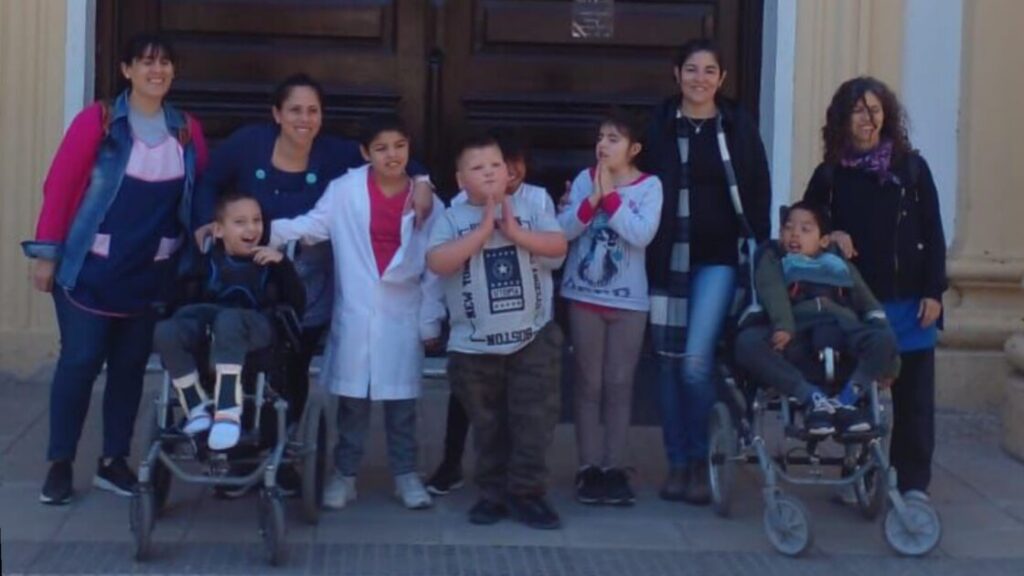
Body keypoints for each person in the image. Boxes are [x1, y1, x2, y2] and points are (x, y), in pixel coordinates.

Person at [22, 33, 208, 505]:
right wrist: (47, 254)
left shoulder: (187, 130)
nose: (156, 71)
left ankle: (114, 461)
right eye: (146, 62)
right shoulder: (99, 121)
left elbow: (199, 195)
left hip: (150, 274)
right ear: (126, 70)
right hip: (91, 271)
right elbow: (61, 186)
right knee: (80, 363)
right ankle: (60, 463)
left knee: (129, 369)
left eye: (164, 63)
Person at [192, 73, 435, 427]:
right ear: (277, 114)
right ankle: (224, 420)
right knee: (227, 343)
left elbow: (391, 155)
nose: (304, 119)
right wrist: (204, 223)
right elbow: (209, 181)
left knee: (293, 358)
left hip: (304, 278)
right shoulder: (248, 143)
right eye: (295, 110)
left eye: (312, 110)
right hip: (244, 268)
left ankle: (285, 433)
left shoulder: (336, 152)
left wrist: (423, 181)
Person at [270, 115, 445, 510]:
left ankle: (406, 476)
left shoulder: (428, 201)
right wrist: (258, 231)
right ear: (366, 153)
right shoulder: (345, 190)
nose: (392, 155)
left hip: (402, 313)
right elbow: (313, 225)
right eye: (381, 148)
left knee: (402, 406)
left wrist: (429, 319)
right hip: (357, 311)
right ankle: (344, 475)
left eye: (399, 146)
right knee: (352, 404)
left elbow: (435, 267)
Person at [641, 38, 772, 504]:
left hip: (718, 261)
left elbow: (758, 187)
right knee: (667, 364)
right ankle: (678, 463)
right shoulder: (659, 124)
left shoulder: (736, 125)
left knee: (695, 363)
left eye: (709, 71)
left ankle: (703, 459)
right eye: (692, 69)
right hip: (666, 259)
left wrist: (761, 251)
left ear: (722, 78)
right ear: (677, 74)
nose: (700, 79)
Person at [803, 76, 947, 501]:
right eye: (858, 110)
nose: (868, 119)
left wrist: (934, 292)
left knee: (914, 400)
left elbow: (933, 232)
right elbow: (806, 225)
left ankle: (913, 484)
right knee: (862, 397)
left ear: (887, 115)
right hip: (859, 304)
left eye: (875, 110)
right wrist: (831, 233)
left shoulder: (912, 170)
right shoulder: (830, 174)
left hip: (911, 302)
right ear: (842, 118)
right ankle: (860, 476)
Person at [427, 134, 567, 529]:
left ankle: (527, 492)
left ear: (509, 172)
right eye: (478, 168)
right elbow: (438, 262)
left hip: (532, 338)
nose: (489, 173)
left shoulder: (531, 209)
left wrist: (515, 232)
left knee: (533, 422)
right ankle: (492, 494)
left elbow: (557, 247)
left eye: (495, 165)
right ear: (460, 180)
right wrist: (482, 231)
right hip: (474, 347)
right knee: (487, 426)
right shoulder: (452, 218)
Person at [558, 109, 663, 505]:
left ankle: (613, 465)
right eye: (601, 137)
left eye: (614, 139)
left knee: (620, 383)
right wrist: (591, 199)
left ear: (633, 149)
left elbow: (641, 234)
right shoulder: (584, 179)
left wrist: (611, 197)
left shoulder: (650, 186)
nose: (603, 145)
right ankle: (587, 466)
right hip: (584, 297)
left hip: (629, 301)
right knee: (588, 382)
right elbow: (563, 229)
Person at [152, 192, 305, 450]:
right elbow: (179, 300)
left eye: (257, 220)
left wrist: (283, 265)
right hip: (212, 335)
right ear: (219, 230)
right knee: (167, 330)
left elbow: (297, 305)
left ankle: (228, 410)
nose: (251, 229)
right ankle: (197, 408)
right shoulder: (205, 263)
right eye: (240, 222)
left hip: (259, 334)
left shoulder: (272, 264)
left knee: (229, 319)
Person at [733, 201, 900, 435]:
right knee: (747, 343)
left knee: (885, 339)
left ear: (823, 241)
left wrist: (891, 362)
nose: (795, 234)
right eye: (788, 228)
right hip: (797, 328)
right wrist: (783, 326)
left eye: (805, 229)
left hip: (842, 327)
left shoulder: (840, 265)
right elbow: (772, 291)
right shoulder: (774, 259)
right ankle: (812, 397)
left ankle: (846, 400)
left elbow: (871, 308)